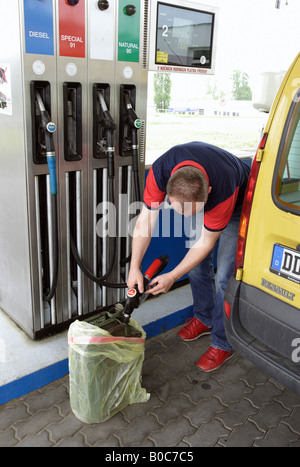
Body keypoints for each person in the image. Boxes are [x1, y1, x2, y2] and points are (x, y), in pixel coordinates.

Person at [127, 142, 250, 372]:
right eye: (176, 209)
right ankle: (204, 318)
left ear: (208, 194)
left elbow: (206, 243)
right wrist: (134, 267)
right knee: (195, 266)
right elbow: (144, 223)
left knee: (224, 276)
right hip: (201, 191)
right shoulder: (162, 170)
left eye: (193, 211)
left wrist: (172, 276)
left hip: (238, 204)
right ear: (169, 187)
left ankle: (223, 342)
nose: (184, 216)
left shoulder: (222, 188)